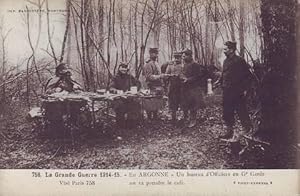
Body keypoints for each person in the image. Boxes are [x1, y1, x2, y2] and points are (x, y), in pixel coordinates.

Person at [219, 41, 253, 142]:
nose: (224, 51)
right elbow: (224, 74)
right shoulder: (225, 61)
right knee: (227, 111)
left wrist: (245, 89)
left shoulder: (240, 61)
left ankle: (248, 130)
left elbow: (248, 76)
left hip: (237, 92)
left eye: (225, 49)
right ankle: (229, 132)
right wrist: (219, 81)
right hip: (226, 91)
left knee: (241, 110)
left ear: (232, 50)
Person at [180, 49, 206, 128]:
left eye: (185, 56)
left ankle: (193, 120)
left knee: (193, 105)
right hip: (185, 88)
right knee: (185, 104)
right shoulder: (184, 64)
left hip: (193, 88)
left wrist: (188, 80)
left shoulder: (195, 65)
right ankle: (185, 118)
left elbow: (198, 76)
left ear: (190, 56)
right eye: (183, 56)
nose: (183, 58)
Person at [110, 63, 141, 129]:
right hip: (119, 98)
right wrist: (117, 91)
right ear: (119, 69)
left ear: (127, 70)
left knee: (135, 104)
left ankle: (131, 124)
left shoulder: (129, 76)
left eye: (125, 70)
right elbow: (111, 88)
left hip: (129, 97)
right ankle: (120, 126)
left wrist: (134, 89)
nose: (124, 72)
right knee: (120, 106)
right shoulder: (115, 77)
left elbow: (138, 83)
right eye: (122, 70)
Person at [142, 47, 164, 120]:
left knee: (156, 102)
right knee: (149, 102)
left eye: (157, 53)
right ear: (150, 54)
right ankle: (149, 118)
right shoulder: (148, 64)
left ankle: (155, 117)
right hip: (151, 86)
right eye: (154, 53)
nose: (156, 55)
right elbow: (149, 77)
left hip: (157, 86)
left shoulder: (156, 63)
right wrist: (160, 76)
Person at [165, 51, 183, 124]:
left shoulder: (183, 65)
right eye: (175, 58)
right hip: (173, 86)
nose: (177, 59)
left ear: (181, 58)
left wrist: (180, 76)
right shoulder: (171, 65)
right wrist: (170, 76)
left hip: (181, 87)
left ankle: (184, 117)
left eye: (178, 58)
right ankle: (173, 118)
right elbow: (166, 74)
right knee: (173, 102)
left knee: (183, 101)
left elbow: (185, 74)